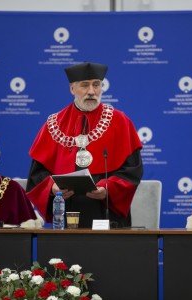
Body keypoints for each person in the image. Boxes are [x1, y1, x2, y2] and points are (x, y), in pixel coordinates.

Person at [26, 62, 143, 228]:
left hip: (107, 213)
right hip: (66, 211)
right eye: (85, 85)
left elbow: (133, 170)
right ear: (72, 89)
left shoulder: (120, 121)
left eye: (96, 85)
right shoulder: (53, 124)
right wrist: (52, 187)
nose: (91, 91)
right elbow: (37, 174)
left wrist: (107, 188)